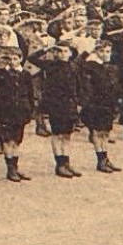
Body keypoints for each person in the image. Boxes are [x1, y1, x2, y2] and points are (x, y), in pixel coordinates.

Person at [0, 43, 35, 182]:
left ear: (20, 59)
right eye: (9, 59)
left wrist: (30, 110)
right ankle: (10, 169)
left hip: (21, 110)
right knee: (8, 140)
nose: (12, 62)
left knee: (17, 140)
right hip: (6, 111)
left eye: (15, 59)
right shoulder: (1, 73)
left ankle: (15, 166)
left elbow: (30, 93)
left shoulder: (25, 74)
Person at [34, 44, 82, 179]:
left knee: (67, 135)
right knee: (57, 134)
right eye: (59, 51)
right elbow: (32, 58)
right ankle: (59, 163)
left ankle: (66, 162)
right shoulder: (51, 65)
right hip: (56, 104)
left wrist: (79, 102)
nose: (62, 54)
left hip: (70, 104)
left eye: (65, 51)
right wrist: (46, 48)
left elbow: (78, 85)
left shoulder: (74, 67)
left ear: (71, 53)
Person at [78, 40, 123, 174]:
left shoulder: (111, 67)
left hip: (108, 103)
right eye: (101, 51)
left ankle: (105, 156)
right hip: (96, 103)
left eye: (108, 51)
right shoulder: (91, 66)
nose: (105, 54)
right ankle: (100, 158)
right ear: (96, 52)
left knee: (105, 132)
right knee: (98, 132)